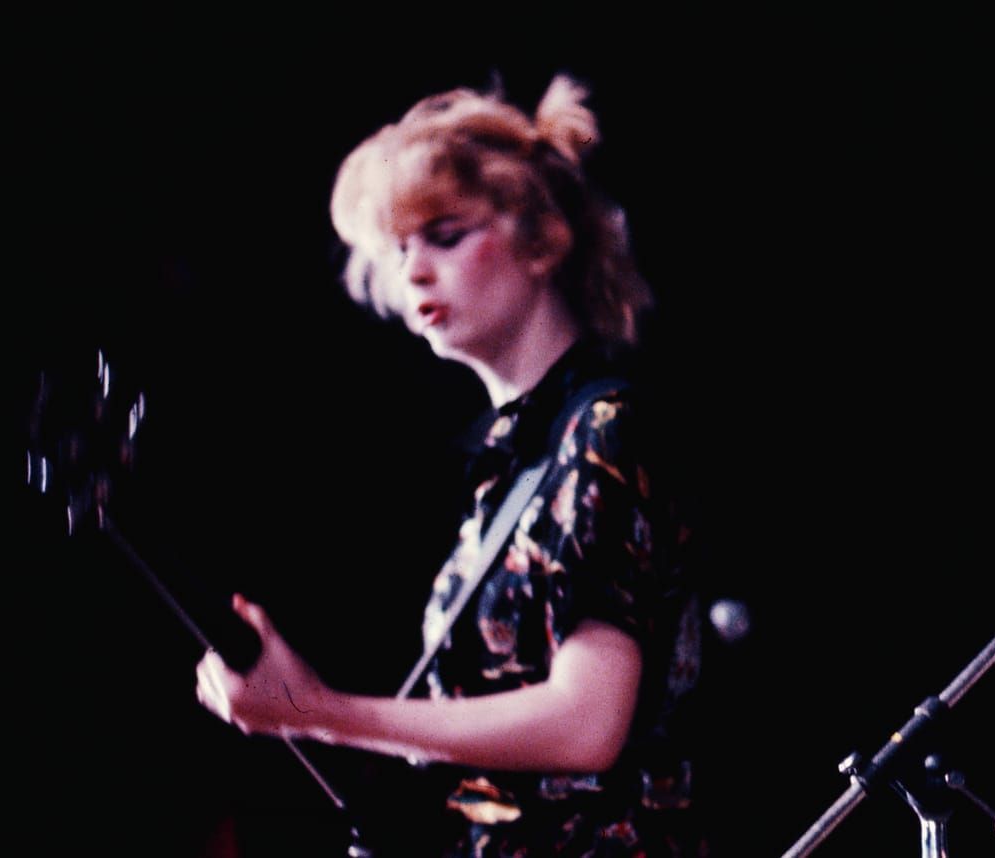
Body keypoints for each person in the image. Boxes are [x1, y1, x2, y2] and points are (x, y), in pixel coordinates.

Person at [195, 76, 705, 857]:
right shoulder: (518, 464)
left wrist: (317, 710)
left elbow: (587, 724)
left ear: (541, 238)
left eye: (445, 234)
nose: (415, 272)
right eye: (400, 249)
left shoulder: (604, 431)